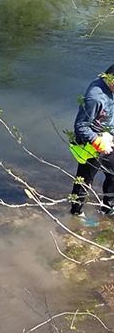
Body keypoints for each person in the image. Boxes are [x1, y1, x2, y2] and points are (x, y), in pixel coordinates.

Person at [69, 65, 114, 219]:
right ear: (110, 80)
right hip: (92, 144)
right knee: (84, 180)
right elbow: (80, 126)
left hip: (110, 137)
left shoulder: (111, 87)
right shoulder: (95, 98)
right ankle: (76, 214)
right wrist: (98, 141)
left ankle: (108, 209)